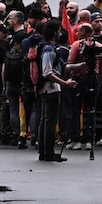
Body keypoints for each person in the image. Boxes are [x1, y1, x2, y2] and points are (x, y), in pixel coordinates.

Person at [36, 20, 73, 162]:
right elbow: (47, 72)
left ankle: (44, 151)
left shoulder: (47, 47)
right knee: (49, 122)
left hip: (45, 88)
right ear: (54, 32)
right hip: (50, 88)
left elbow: (63, 67)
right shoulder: (49, 49)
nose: (61, 33)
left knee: (45, 120)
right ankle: (48, 153)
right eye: (59, 30)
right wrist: (64, 83)